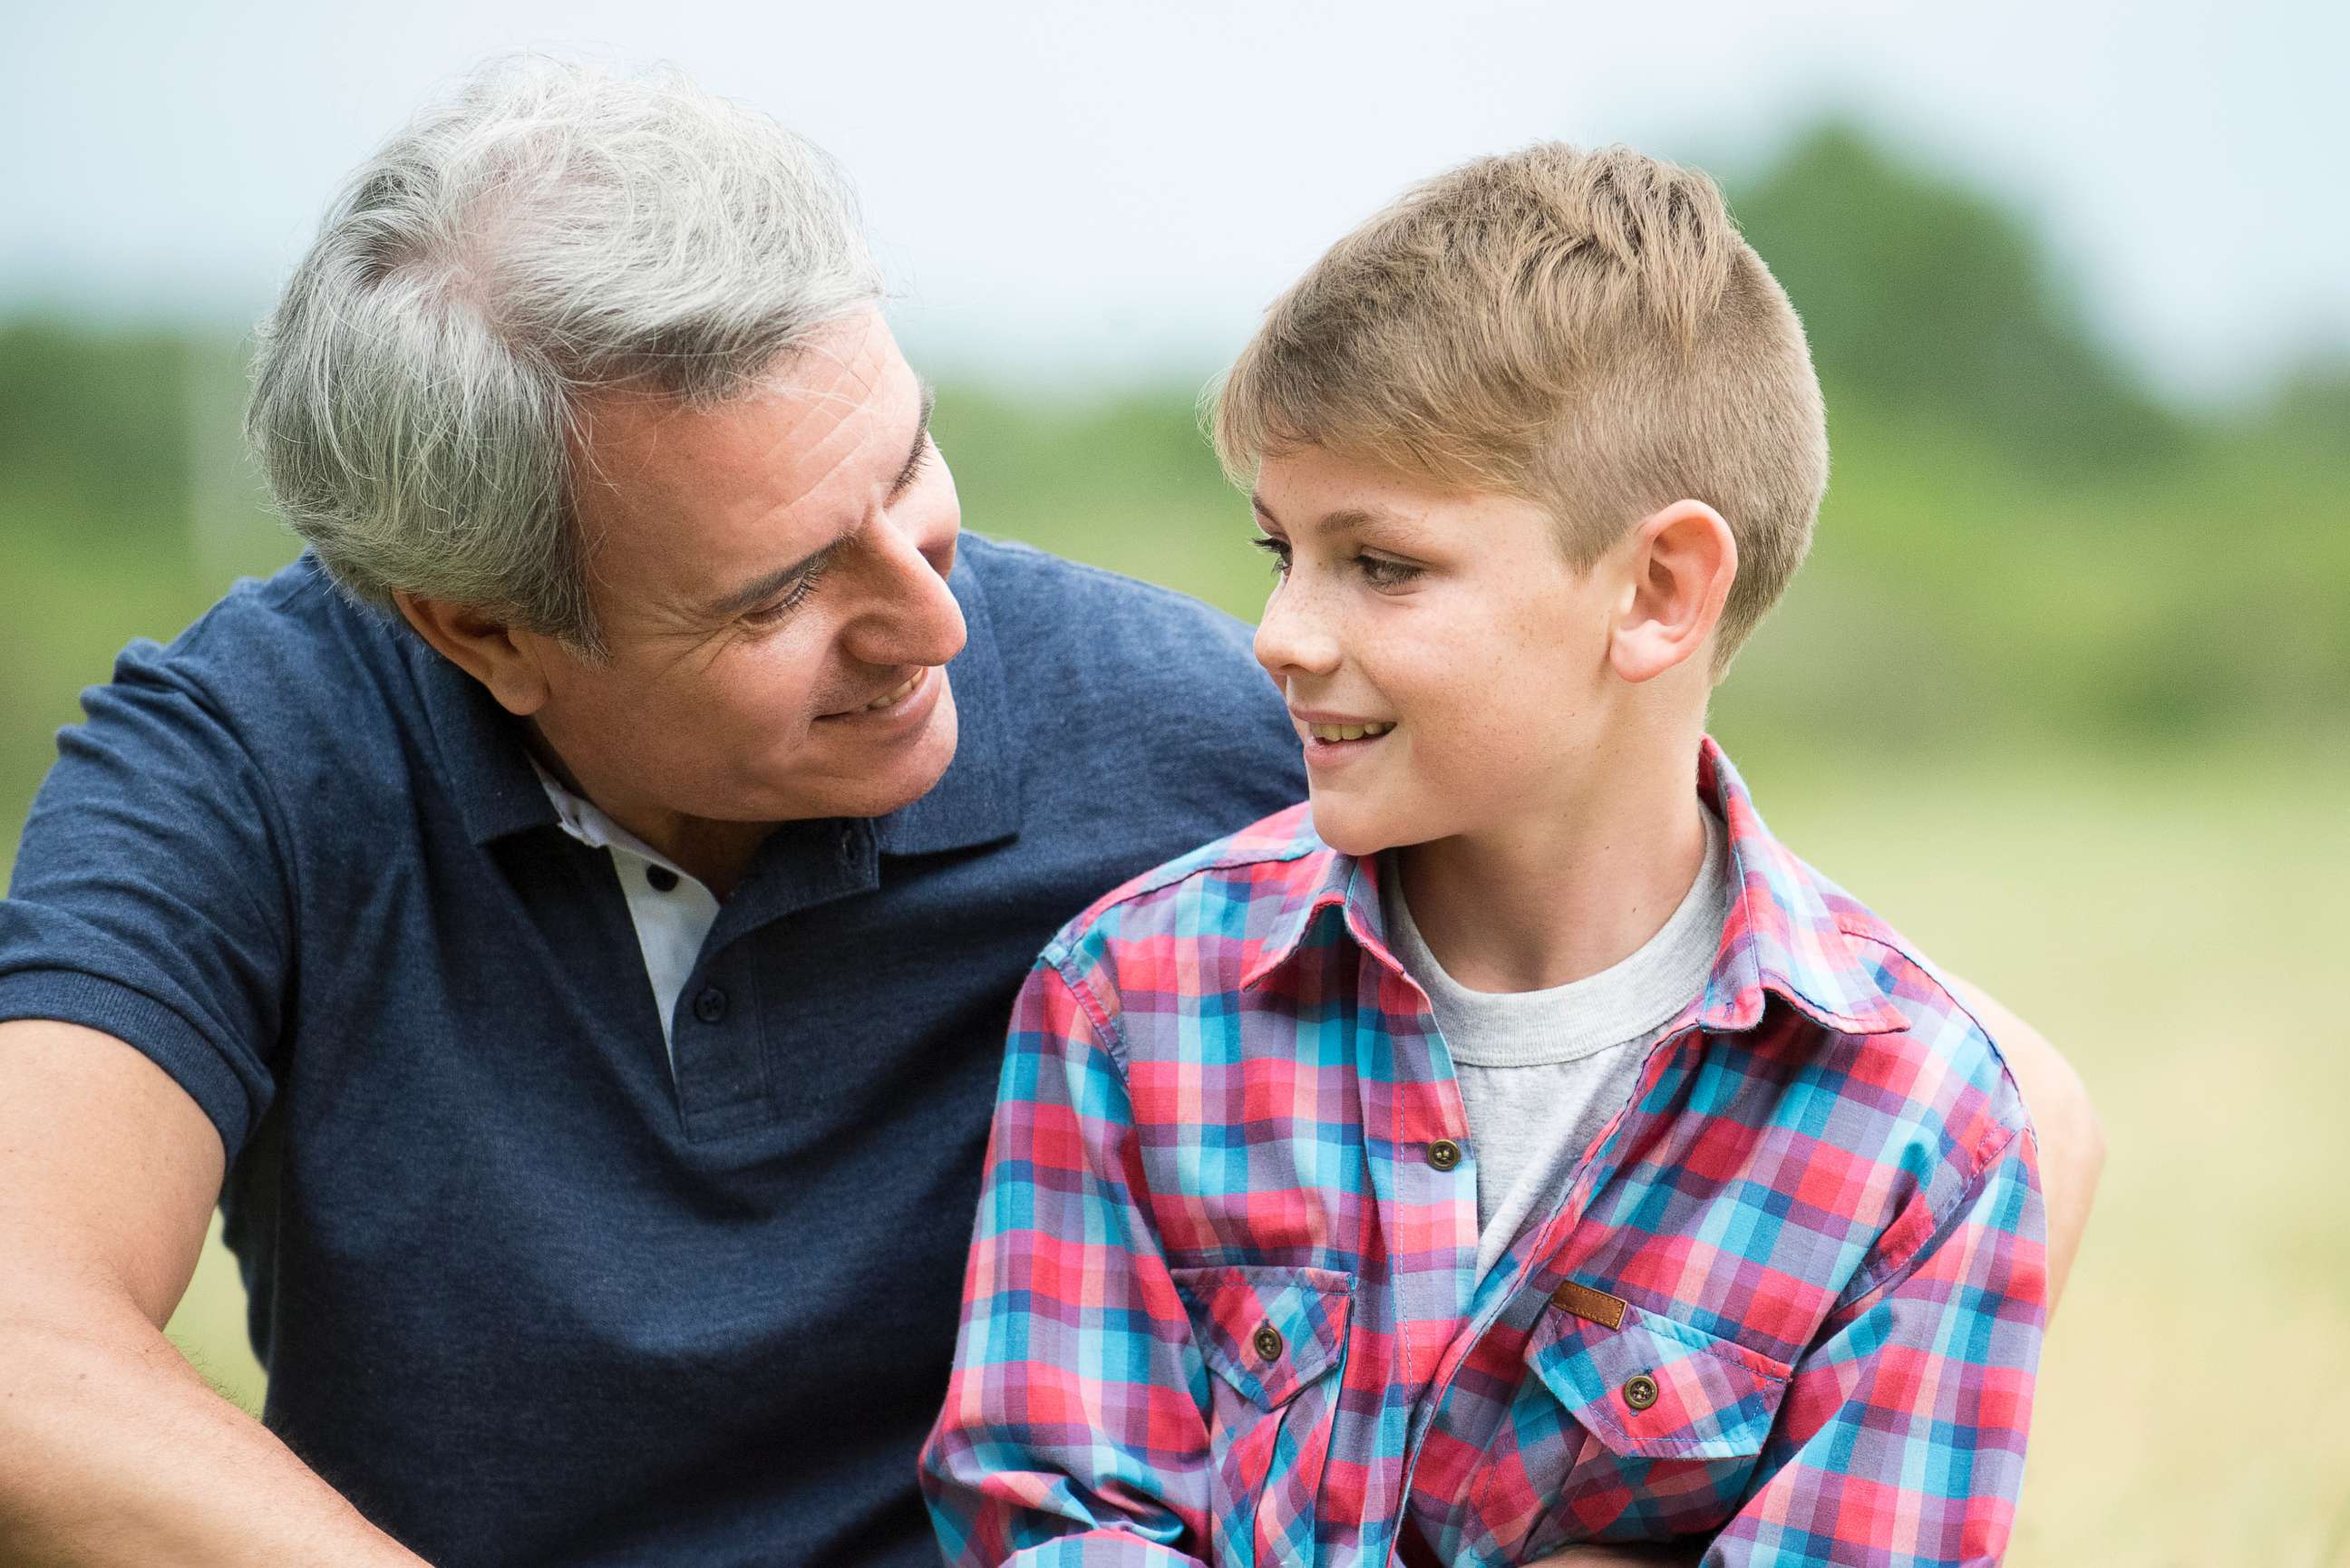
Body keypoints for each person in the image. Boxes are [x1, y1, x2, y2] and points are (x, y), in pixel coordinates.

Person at [0, 63, 2097, 1568]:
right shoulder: (254, 754)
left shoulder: (1178, 722)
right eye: (776, 592)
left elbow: (1905, 1065)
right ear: (485, 629)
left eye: (905, 474)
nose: (932, 616)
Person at [922, 145, 2064, 1567]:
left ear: (1657, 591)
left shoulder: (1923, 1133)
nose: (1281, 631)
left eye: (1381, 563)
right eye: (1282, 550)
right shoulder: (1127, 1004)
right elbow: (1052, 1521)